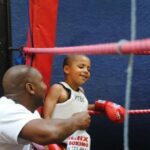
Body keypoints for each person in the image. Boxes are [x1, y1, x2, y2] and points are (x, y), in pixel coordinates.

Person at [43, 55, 125, 150]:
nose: (86, 71)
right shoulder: (58, 89)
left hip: (79, 144)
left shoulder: (81, 91)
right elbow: (46, 118)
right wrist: (49, 144)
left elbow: (80, 107)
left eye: (88, 69)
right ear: (67, 69)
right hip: (61, 143)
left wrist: (103, 106)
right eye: (81, 67)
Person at [0, 65, 91, 150]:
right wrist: (76, 121)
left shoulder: (30, 112)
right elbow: (48, 134)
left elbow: (40, 141)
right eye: (42, 82)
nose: (45, 86)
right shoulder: (6, 110)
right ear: (30, 88)